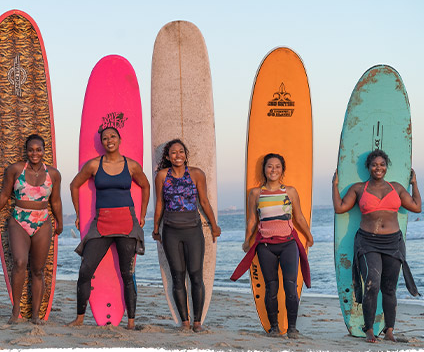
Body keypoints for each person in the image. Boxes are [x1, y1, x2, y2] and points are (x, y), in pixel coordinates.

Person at [332, 149, 421, 343]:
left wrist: (414, 184)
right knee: (372, 283)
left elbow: (416, 206)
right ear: (368, 167)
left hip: (393, 242)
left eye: (382, 164)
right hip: (368, 241)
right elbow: (340, 208)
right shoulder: (358, 188)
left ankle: (389, 330)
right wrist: (335, 185)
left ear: (386, 167)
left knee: (389, 288)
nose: (378, 168)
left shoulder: (396, 188)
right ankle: (369, 328)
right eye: (374, 164)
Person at [67, 125, 150, 329]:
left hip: (126, 223)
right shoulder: (94, 165)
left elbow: (146, 185)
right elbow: (74, 185)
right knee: (85, 270)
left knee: (126, 274)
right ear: (102, 142)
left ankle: (131, 322)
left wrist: (142, 214)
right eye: (105, 138)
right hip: (102, 222)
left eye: (113, 136)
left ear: (119, 140)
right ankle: (79, 319)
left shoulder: (131, 165)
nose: (109, 140)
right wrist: (79, 214)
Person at [231, 153, 313, 338]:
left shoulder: (290, 191)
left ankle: (292, 328)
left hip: (288, 244)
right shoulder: (256, 193)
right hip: (265, 245)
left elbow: (298, 217)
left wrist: (308, 235)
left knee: (291, 286)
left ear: (282, 170)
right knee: (271, 287)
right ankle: (274, 327)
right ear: (264, 169)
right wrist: (247, 240)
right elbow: (252, 219)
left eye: (277, 166)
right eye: (269, 166)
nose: (273, 170)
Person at [0, 134, 64, 324]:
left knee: (38, 270)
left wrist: (60, 221)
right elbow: (5, 193)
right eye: (31, 149)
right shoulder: (15, 169)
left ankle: (36, 315)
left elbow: (55, 200)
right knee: (20, 262)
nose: (35, 153)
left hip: (43, 221)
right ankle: (16, 311)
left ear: (44, 151)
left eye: (38, 149)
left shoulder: (53, 174)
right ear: (26, 151)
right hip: (19, 219)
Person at [152, 139, 221, 332]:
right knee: (177, 276)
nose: (178, 155)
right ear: (167, 156)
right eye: (173, 153)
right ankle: (184, 321)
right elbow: (159, 205)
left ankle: (197, 322)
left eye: (181, 151)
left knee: (196, 275)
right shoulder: (162, 176)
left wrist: (214, 226)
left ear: (185, 154)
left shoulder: (197, 174)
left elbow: (204, 202)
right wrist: (156, 228)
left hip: (193, 230)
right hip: (171, 232)